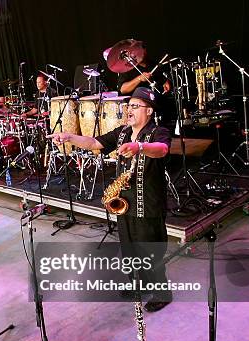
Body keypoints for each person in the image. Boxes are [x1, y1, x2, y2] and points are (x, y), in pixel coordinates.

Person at [52, 87, 172, 312]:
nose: (129, 110)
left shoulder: (158, 132)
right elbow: (94, 143)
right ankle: (139, 282)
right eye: (129, 106)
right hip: (124, 201)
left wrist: (140, 147)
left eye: (135, 106)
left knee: (149, 248)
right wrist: (68, 137)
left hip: (148, 202)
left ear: (149, 111)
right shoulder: (123, 132)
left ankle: (161, 292)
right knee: (129, 247)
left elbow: (162, 150)